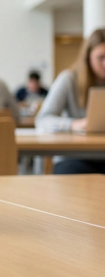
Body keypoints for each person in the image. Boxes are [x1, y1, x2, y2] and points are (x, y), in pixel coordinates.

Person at [36, 28, 105, 174]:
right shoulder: (68, 79)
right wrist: (73, 124)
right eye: (101, 57)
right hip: (74, 157)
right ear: (87, 57)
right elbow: (42, 119)